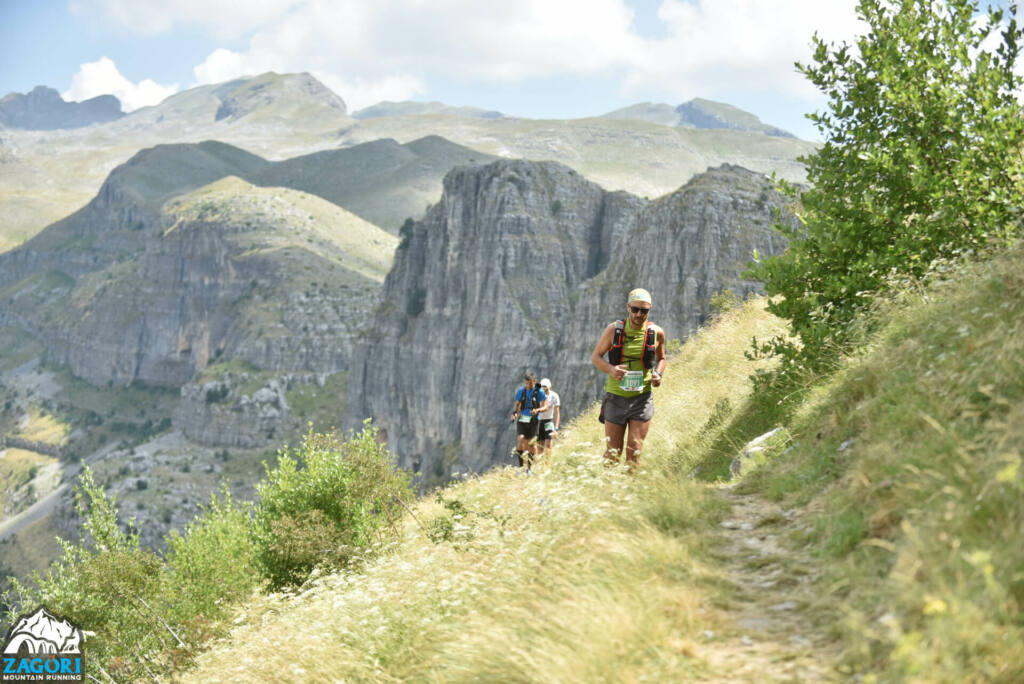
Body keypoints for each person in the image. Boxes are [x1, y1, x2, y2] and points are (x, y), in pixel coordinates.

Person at [589, 288, 667, 469]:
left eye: (644, 311)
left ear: (650, 310)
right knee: (613, 453)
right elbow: (596, 356)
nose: (639, 314)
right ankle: (608, 493)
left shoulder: (656, 333)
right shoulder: (614, 330)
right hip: (616, 397)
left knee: (635, 451)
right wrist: (611, 369)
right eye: (635, 309)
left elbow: (662, 358)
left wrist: (658, 374)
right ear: (628, 308)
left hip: (642, 398)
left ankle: (630, 493)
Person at [509, 371, 548, 471]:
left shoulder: (540, 392)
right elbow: (517, 405)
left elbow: (546, 406)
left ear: (534, 381)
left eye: (530, 383)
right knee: (520, 440)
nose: (528, 385)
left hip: (534, 421)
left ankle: (529, 469)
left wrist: (537, 410)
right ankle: (521, 468)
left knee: (531, 444)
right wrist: (514, 414)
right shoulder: (521, 391)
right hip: (522, 419)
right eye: (526, 383)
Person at [537, 377, 560, 456]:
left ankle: (548, 466)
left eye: (545, 388)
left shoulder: (554, 396)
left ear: (549, 387)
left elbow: (557, 413)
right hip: (539, 422)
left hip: (548, 421)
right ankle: (539, 466)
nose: (544, 389)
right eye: (542, 387)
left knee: (549, 446)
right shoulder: (537, 395)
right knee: (539, 447)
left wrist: (556, 428)